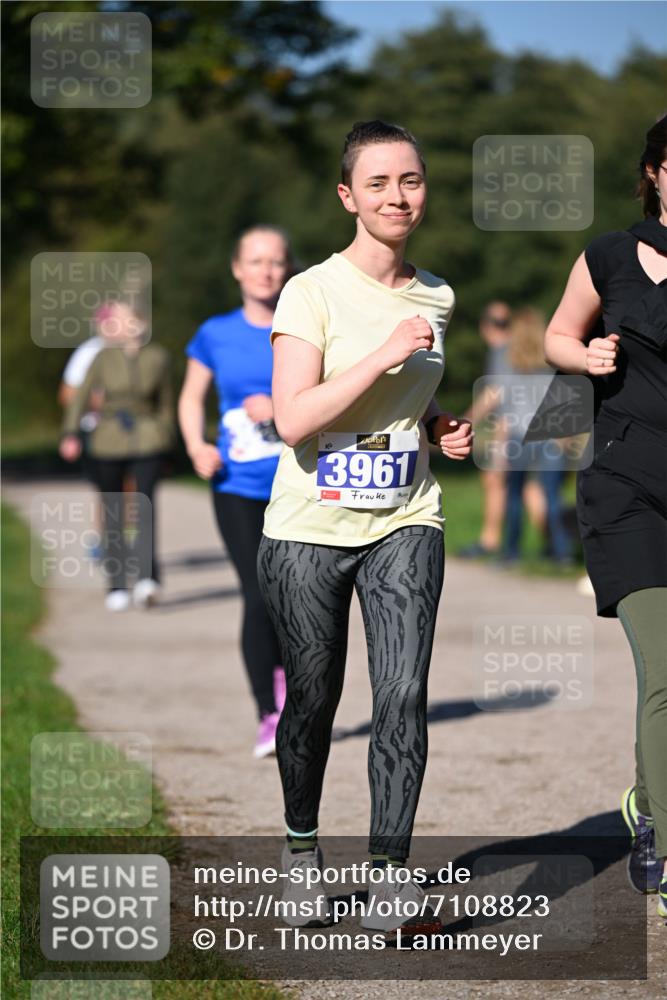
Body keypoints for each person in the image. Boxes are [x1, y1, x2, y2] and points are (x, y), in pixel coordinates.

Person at [256, 120, 473, 937]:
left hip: (405, 519)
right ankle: (302, 858)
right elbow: (293, 420)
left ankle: (388, 877)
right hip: (308, 528)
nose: (396, 196)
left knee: (401, 695)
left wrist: (439, 426)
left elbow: (402, 408)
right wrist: (380, 354)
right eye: (377, 183)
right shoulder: (309, 292)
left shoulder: (439, 295)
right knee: (312, 700)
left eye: (410, 180)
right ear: (348, 196)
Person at [544, 113, 667, 918]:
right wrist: (582, 354)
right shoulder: (609, 255)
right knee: (664, 668)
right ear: (655, 171)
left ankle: (647, 809)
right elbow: (557, 333)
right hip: (625, 486)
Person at [178, 226, 291, 759]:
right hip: (236, 485)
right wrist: (196, 445)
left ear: (286, 268)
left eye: (275, 261)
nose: (266, 270)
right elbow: (189, 397)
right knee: (256, 589)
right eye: (256, 261)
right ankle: (267, 714)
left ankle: (295, 696)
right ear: (237, 269)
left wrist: (280, 405)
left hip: (297, 484)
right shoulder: (214, 333)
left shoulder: (303, 327)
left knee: (295, 596)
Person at [60, 300, 174, 611]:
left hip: (148, 436)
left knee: (145, 507)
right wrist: (70, 434)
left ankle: (149, 578)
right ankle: (117, 582)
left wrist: (167, 440)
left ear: (138, 324)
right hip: (108, 438)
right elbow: (79, 397)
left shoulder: (158, 358)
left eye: (120, 320)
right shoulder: (101, 357)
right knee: (113, 511)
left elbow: (165, 403)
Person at [501, 307, 572, 565]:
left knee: (515, 496)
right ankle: (561, 552)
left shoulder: (509, 364)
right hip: (551, 436)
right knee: (553, 496)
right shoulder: (553, 362)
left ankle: (510, 552)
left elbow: (506, 411)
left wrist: (500, 447)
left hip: (519, 436)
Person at [458, 301, 511, 558]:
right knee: (532, 486)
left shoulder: (502, 351)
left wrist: (464, 422)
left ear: (484, 326)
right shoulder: (519, 347)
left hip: (510, 427)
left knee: (494, 479)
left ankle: (491, 541)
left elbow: (494, 394)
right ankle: (555, 546)